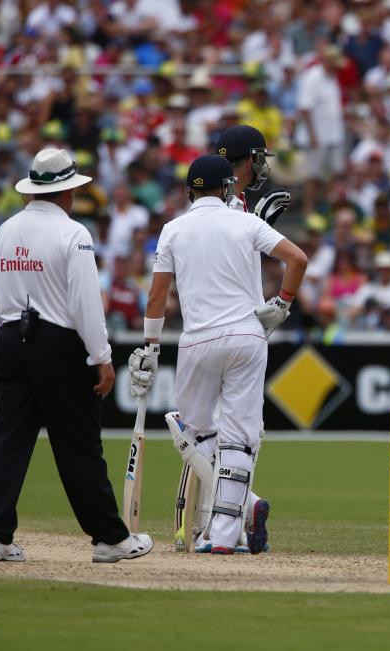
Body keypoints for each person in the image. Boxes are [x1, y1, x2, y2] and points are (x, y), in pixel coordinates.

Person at [0, 148, 152, 563]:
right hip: (59, 344)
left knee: (8, 438)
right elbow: (86, 303)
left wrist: (7, 340)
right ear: (68, 192)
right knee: (78, 443)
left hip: (11, 339)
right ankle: (110, 538)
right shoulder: (74, 234)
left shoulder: (6, 229)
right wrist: (103, 357)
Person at [133, 155, 306, 555]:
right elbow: (298, 259)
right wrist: (281, 302)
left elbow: (158, 296)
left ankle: (239, 513)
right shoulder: (246, 222)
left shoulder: (173, 230)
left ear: (188, 190)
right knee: (239, 437)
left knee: (193, 432)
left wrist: (150, 346)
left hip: (198, 340)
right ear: (228, 188)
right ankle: (229, 531)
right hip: (248, 336)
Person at [215, 124, 291, 225]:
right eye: (261, 158)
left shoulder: (226, 196)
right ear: (251, 161)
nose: (263, 164)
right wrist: (260, 226)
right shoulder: (228, 203)